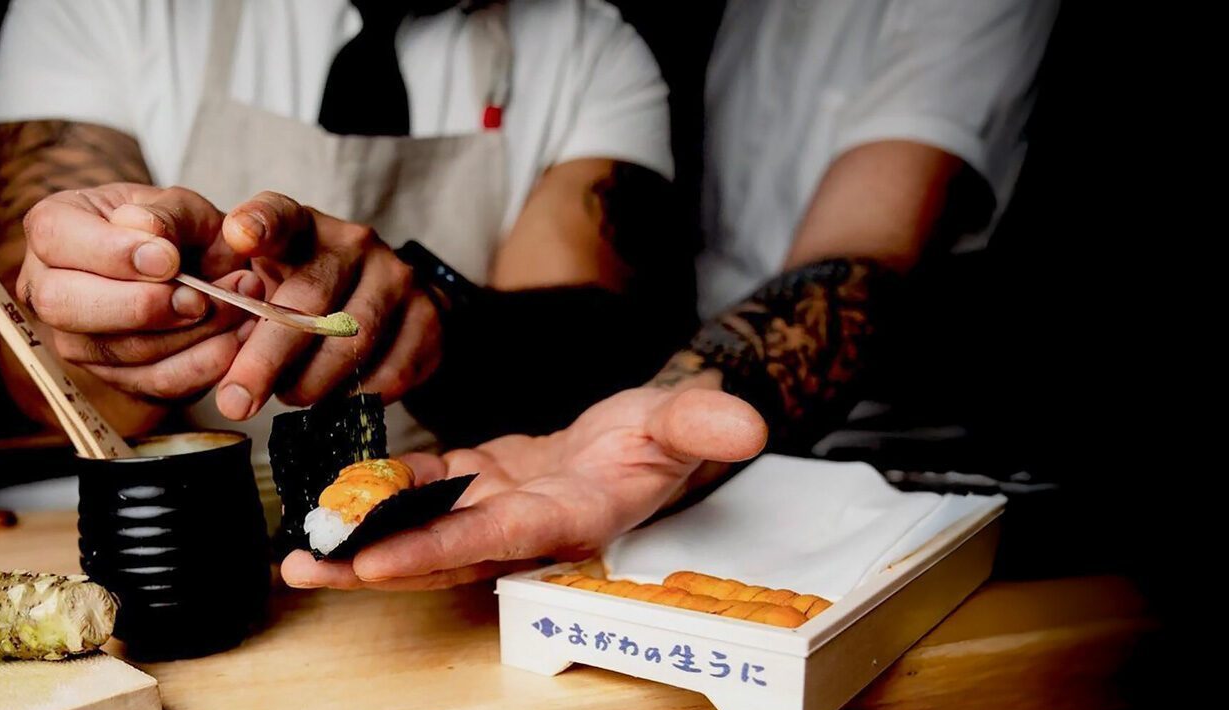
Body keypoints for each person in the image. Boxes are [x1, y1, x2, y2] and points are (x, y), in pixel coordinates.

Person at [284, 0, 1061, 590]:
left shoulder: (969, 12)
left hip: (896, 465)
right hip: (680, 455)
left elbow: (861, 257)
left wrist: (676, 402)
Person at [0, 0, 686, 455]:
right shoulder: (94, 11)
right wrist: (107, 317)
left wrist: (439, 318)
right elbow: (25, 357)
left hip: (451, 519)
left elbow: (598, 347)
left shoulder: (589, 46)